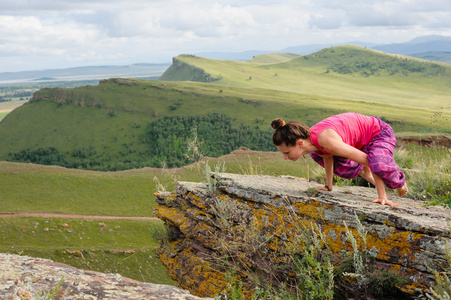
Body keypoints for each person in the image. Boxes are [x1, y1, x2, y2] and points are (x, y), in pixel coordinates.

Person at [271, 112, 408, 207]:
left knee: (378, 163)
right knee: (317, 155)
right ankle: (367, 174)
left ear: (300, 143)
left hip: (378, 132)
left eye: (287, 152)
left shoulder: (326, 141)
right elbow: (327, 156)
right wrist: (328, 186)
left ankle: (399, 182)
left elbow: (369, 161)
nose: (285, 157)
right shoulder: (314, 143)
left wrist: (382, 197)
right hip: (359, 140)